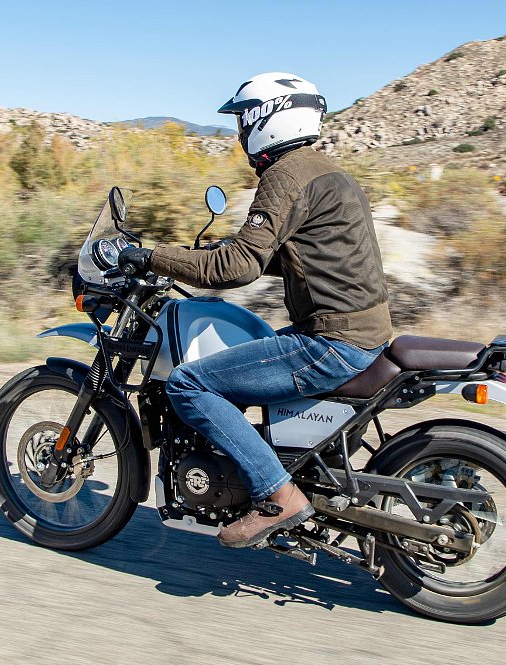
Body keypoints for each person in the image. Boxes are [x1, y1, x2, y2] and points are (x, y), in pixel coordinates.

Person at [118, 72, 391, 548]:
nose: (242, 130)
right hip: (365, 333)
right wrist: (207, 255)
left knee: (189, 382)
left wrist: (154, 256)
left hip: (331, 344)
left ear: (270, 118)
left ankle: (277, 496)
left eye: (245, 118)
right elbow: (307, 259)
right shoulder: (329, 172)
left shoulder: (284, 176)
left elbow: (238, 267)